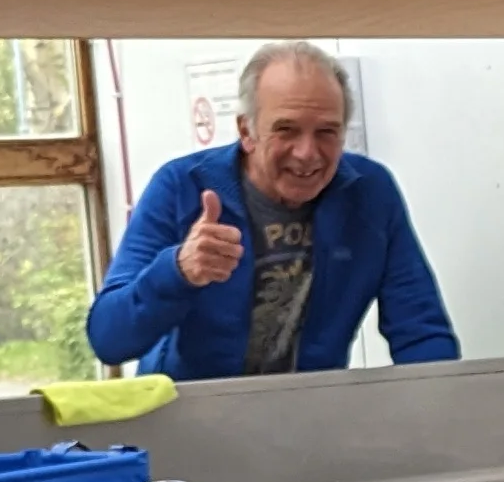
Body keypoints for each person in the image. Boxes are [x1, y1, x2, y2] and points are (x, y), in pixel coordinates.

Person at [83, 41, 456, 380]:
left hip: (306, 418)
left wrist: (437, 420)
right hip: (189, 419)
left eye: (327, 132)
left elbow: (421, 332)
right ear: (246, 131)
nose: (307, 153)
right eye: (286, 130)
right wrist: (178, 271)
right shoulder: (182, 187)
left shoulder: (370, 192)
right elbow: (109, 339)